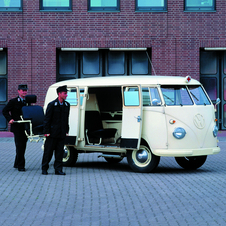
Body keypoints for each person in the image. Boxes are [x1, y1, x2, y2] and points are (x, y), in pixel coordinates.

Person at [41, 85, 70, 175]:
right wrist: (46, 132)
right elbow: (47, 119)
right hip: (52, 133)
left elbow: (66, 119)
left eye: (66, 93)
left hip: (61, 133)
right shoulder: (52, 105)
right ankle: (44, 168)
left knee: (59, 153)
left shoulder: (66, 105)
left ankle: (58, 169)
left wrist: (66, 130)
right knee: (48, 152)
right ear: (59, 94)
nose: (66, 95)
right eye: (65, 93)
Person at [2, 84, 28, 172]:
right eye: (23, 90)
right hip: (17, 127)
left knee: (23, 146)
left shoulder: (27, 101)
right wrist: (9, 119)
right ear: (19, 91)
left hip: (25, 127)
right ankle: (21, 165)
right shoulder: (13, 101)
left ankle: (17, 163)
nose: (24, 92)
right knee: (20, 145)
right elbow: (4, 110)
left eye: (25, 90)